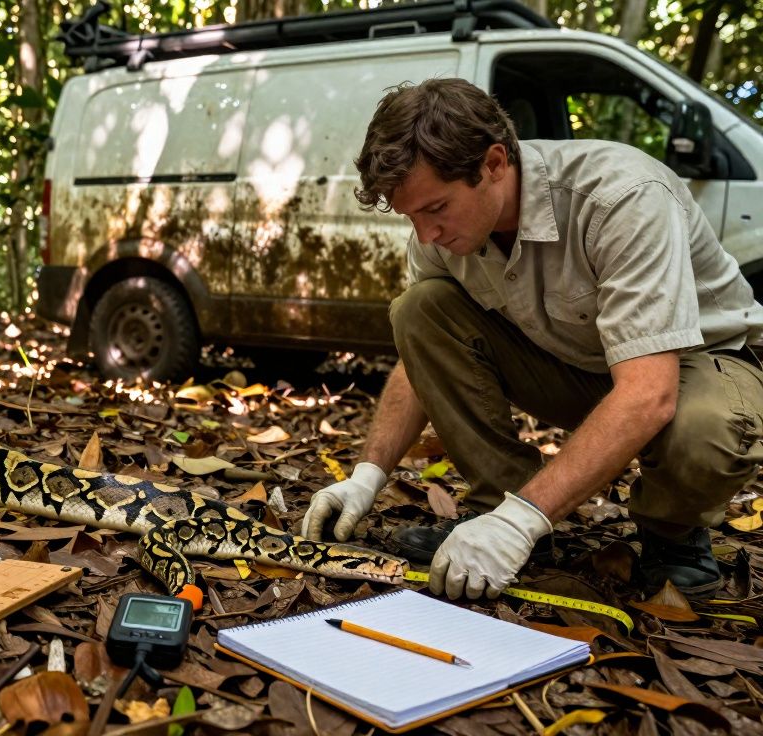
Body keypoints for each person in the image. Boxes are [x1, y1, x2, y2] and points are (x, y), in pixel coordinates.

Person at [301, 78, 763, 600]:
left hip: (699, 367)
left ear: (494, 163)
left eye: (435, 209)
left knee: (707, 431)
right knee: (419, 309)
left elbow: (648, 394)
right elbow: (421, 356)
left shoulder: (622, 198)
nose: (425, 234)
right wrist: (367, 475)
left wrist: (523, 521)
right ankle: (495, 511)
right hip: (581, 366)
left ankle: (672, 536)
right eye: (412, 216)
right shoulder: (440, 236)